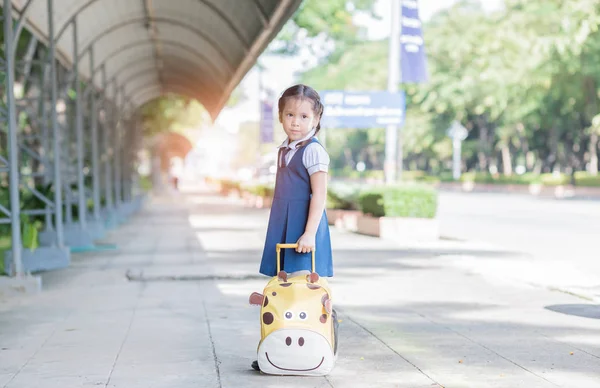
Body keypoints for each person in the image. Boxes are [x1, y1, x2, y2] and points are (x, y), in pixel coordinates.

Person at [252, 84, 335, 372]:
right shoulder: (284, 149)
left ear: (316, 118)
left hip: (303, 230)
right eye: (289, 115)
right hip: (283, 228)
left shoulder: (313, 151)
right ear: (280, 116)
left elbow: (319, 195)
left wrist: (309, 232)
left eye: (303, 116)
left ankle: (316, 349)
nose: (295, 122)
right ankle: (278, 349)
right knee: (285, 292)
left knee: (304, 290)